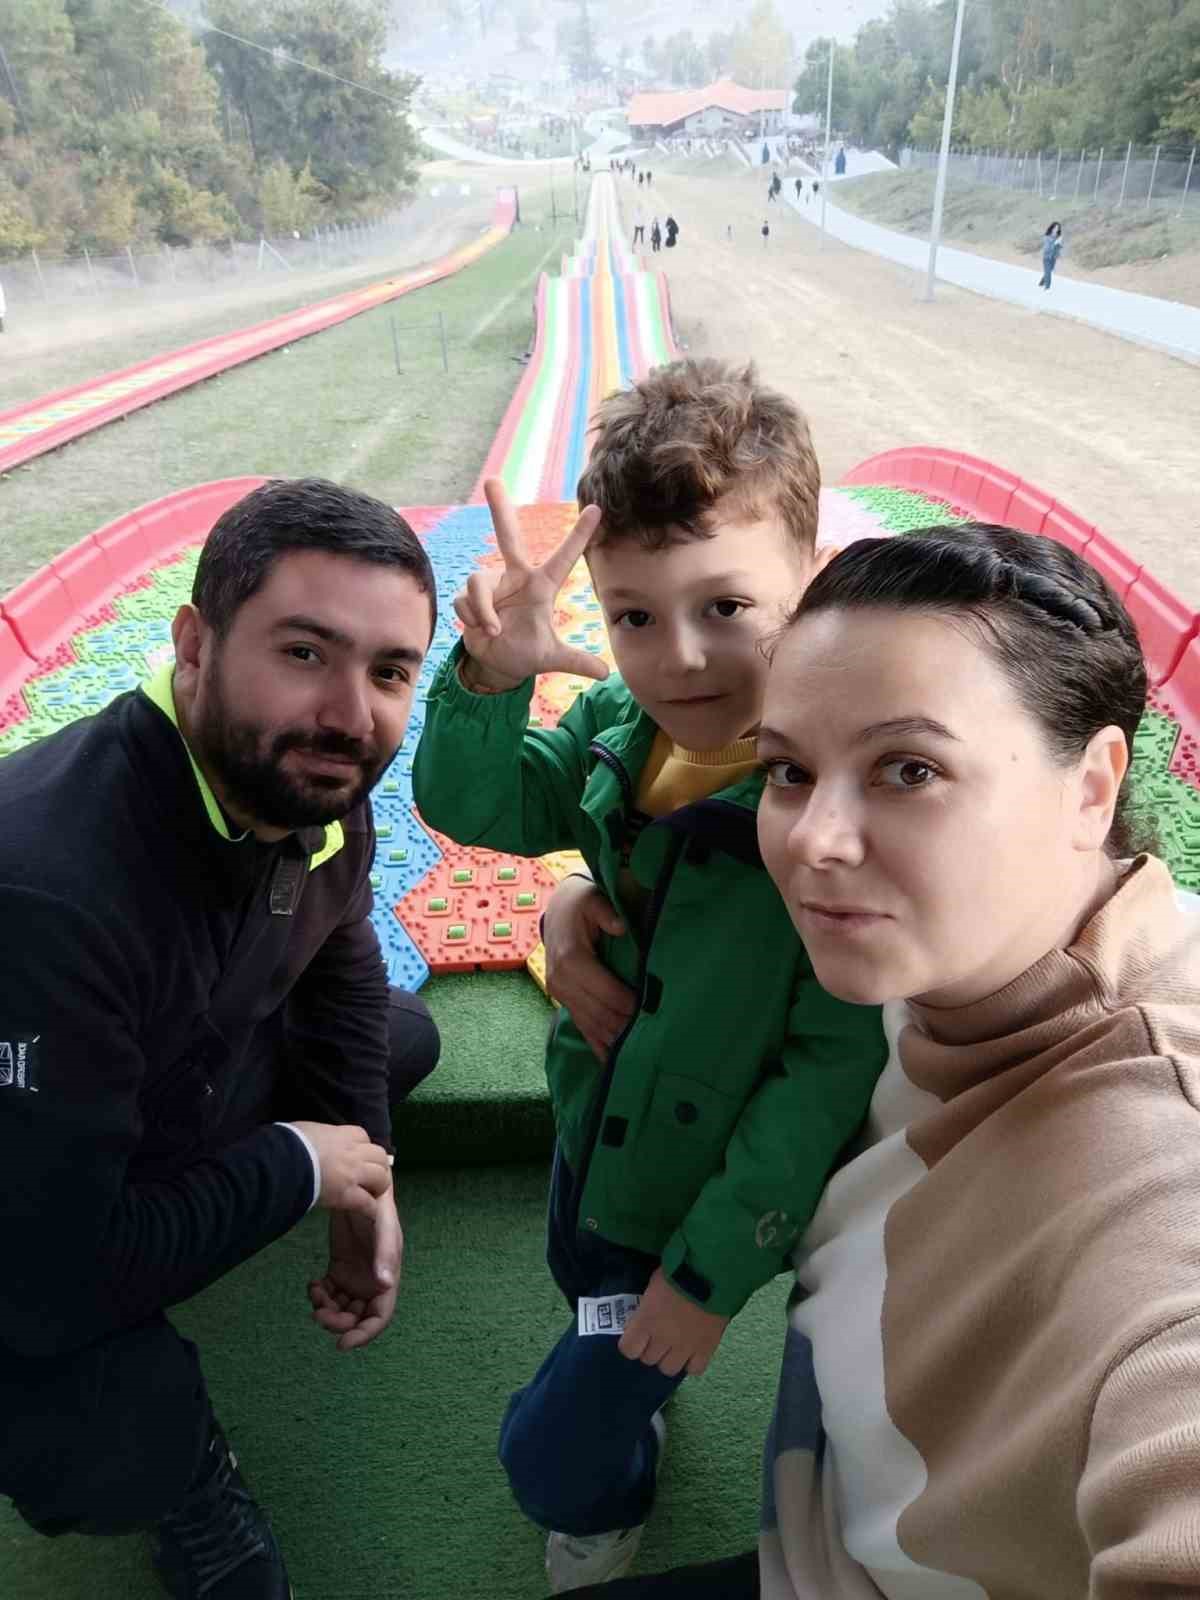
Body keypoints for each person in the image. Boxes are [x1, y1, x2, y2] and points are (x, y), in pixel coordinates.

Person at [561, 521, 1200, 1596]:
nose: (814, 840)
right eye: (787, 769)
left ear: (1092, 787)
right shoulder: (943, 947)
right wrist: (577, 899)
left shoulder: (1155, 1162)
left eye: (909, 768)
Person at [413, 358, 886, 1593]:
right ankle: (632, 1410)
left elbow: (824, 1076)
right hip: (594, 1115)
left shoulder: (832, 826)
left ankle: (604, 1494)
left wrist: (708, 1275)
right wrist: (490, 682)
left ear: (815, 581)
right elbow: (475, 805)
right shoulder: (620, 733)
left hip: (700, 1197)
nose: (678, 660)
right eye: (633, 617)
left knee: (550, 1449)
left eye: (726, 605)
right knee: (578, 1267)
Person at [0, 477, 442, 1600]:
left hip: (142, 1086)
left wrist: (365, 1178)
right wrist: (297, 1165)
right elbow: (54, 1276)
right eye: (305, 652)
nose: (351, 713)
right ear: (194, 644)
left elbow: (338, 953)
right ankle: (188, 1479)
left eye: (390, 671)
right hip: (24, 1197)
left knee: (396, 1041)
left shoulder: (295, 772)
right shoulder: (49, 890)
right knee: (102, 1435)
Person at [1039, 219, 1063, 289]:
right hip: (1046, 257)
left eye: (1058, 228)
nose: (1056, 229)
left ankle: (1041, 282)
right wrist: (1055, 243)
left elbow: (1058, 248)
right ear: (1052, 228)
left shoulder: (1058, 237)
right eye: (1055, 228)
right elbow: (1047, 247)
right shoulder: (1047, 236)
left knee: (1049, 271)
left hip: (1053, 258)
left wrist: (1059, 245)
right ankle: (1047, 287)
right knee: (1048, 272)